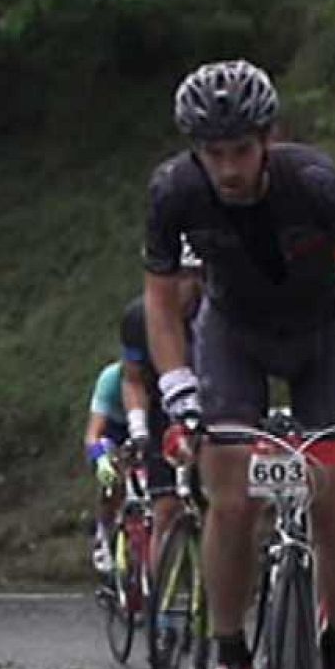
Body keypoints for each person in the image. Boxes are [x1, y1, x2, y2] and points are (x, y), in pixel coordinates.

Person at [144, 59, 335, 669]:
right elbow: (162, 305)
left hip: (322, 333)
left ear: (268, 139)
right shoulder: (175, 191)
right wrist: (178, 398)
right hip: (234, 334)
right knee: (231, 498)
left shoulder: (317, 184)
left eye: (239, 151)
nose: (227, 170)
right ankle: (232, 659)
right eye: (213, 154)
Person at [119, 236, 204, 570]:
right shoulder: (139, 317)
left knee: (225, 506)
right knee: (166, 509)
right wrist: (138, 428)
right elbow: (133, 379)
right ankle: (161, 611)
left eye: (185, 277)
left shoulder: (219, 314)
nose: (177, 287)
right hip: (163, 413)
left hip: (216, 406)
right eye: (170, 277)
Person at [84, 360, 129, 574]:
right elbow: (93, 435)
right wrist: (101, 461)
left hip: (145, 427)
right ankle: (102, 535)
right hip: (111, 432)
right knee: (112, 478)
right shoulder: (110, 379)